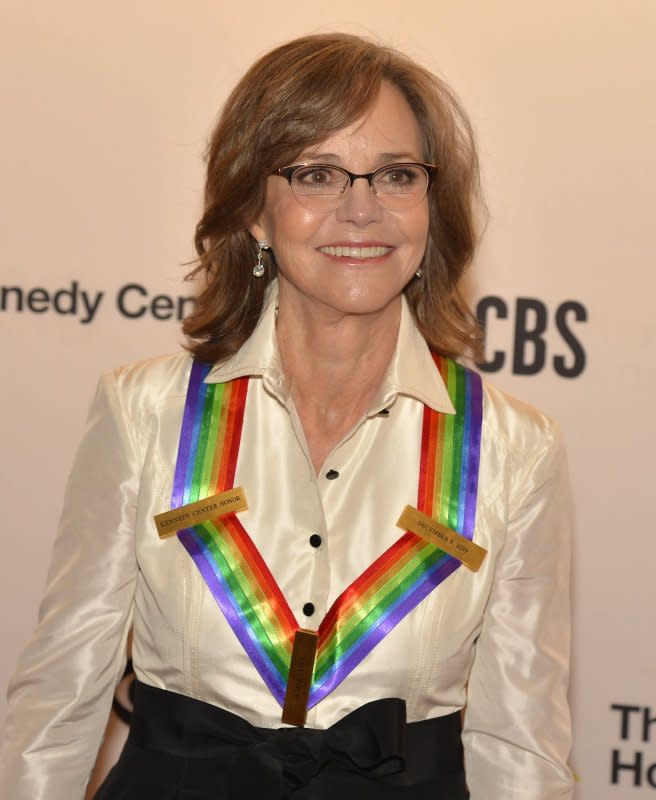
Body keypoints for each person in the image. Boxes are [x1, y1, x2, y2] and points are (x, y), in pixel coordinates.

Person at [0, 33, 573, 799]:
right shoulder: (145, 413)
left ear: (432, 206)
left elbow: (521, 750)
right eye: (317, 174)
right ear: (255, 214)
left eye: (397, 175)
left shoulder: (514, 450)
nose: (362, 209)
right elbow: (58, 706)